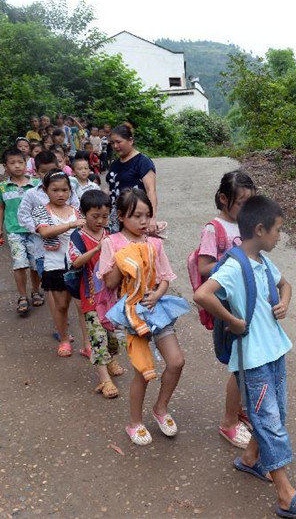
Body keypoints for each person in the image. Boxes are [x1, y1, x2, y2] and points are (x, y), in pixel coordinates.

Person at [195, 195, 296, 518]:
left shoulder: (263, 262)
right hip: (252, 359)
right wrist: (232, 320)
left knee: (276, 412)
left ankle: (250, 458)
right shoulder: (235, 266)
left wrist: (284, 302)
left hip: (274, 350)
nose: (280, 236)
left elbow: (286, 284)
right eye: (278, 230)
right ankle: (285, 494)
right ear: (260, 229)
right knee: (268, 420)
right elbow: (202, 294)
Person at [98, 189, 185, 445]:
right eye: (137, 216)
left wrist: (157, 295)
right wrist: (123, 259)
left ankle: (160, 408)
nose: (143, 221)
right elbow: (110, 283)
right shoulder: (111, 243)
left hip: (156, 310)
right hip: (131, 315)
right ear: (121, 216)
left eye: (147, 215)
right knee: (142, 371)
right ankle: (134, 423)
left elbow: (165, 278)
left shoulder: (154, 243)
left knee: (176, 362)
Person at [194, 171, 257, 448]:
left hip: (246, 303)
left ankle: (239, 410)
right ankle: (228, 423)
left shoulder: (245, 225)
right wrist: (233, 262)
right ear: (223, 198)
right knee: (240, 366)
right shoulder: (214, 229)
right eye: (242, 203)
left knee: (249, 361)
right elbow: (203, 267)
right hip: (227, 307)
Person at [68, 190, 125, 398]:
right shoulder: (78, 237)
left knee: (113, 335)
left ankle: (111, 359)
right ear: (84, 214)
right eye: (95, 216)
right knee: (98, 337)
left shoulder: (111, 233)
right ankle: (105, 380)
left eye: (105, 216)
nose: (100, 221)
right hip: (90, 295)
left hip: (112, 295)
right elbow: (75, 262)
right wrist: (98, 248)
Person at [33, 170, 85, 357]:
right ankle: (64, 339)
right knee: (61, 305)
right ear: (46, 190)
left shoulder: (77, 211)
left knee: (83, 307)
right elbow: (45, 232)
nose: (60, 194)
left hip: (78, 263)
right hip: (54, 264)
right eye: (55, 190)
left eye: (64, 190)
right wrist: (71, 225)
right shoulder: (41, 211)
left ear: (70, 191)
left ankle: (88, 345)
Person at [0, 147, 42, 315]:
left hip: (35, 231)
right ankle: (22, 296)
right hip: (14, 232)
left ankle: (36, 291)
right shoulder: (2, 188)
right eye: (12, 163)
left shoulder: (36, 184)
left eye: (20, 162)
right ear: (5, 166)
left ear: (26, 163)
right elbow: (1, 208)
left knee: (35, 264)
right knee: (19, 264)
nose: (17, 166)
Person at [105, 124, 159, 233]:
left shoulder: (142, 161)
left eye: (118, 142)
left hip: (136, 216)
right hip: (117, 217)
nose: (115, 146)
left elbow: (151, 190)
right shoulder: (115, 164)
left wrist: (152, 218)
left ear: (130, 141)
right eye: (112, 143)